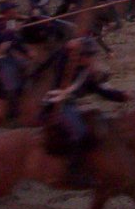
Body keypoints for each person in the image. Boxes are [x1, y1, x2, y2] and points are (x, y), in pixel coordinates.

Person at [42, 35, 129, 187]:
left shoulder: (85, 74)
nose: (92, 60)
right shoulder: (64, 66)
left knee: (97, 122)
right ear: (81, 56)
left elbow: (101, 91)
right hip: (55, 106)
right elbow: (58, 56)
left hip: (70, 105)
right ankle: (73, 170)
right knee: (79, 132)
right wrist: (66, 47)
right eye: (90, 56)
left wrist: (121, 96)